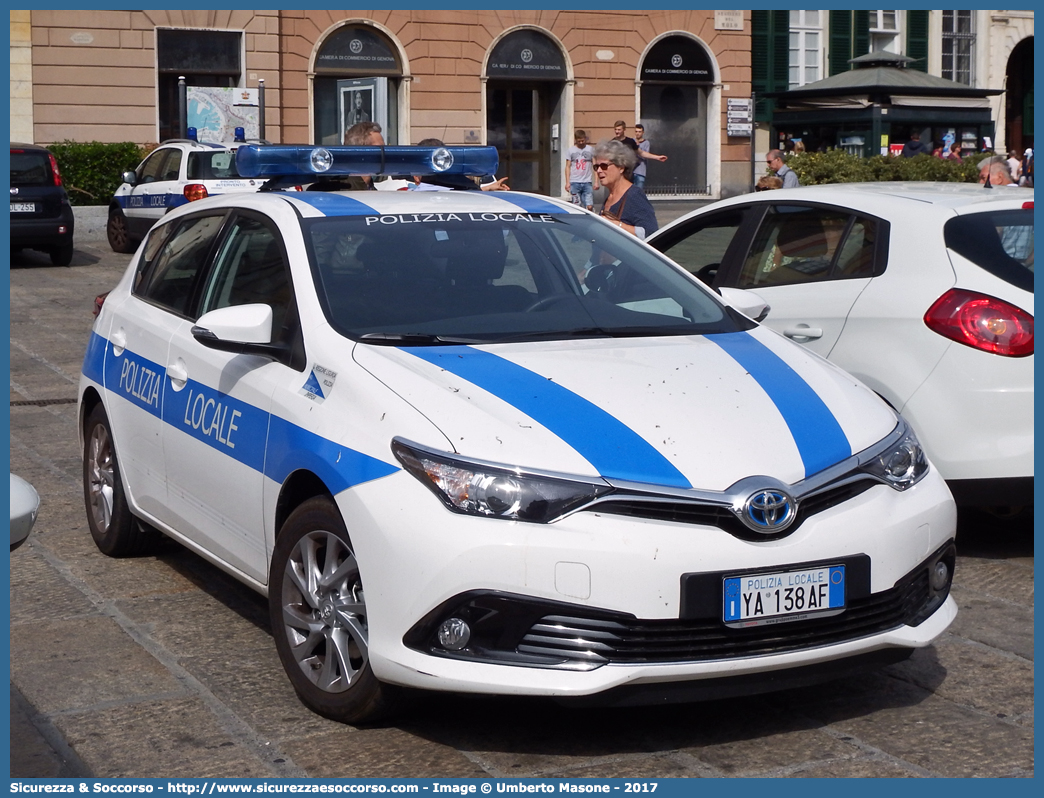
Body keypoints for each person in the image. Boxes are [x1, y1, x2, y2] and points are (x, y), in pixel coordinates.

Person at [592, 139, 658, 239]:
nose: (599, 170)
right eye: (596, 167)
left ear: (621, 167)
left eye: (604, 166)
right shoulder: (609, 197)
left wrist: (618, 225)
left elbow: (651, 233)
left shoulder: (634, 195)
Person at [565, 130, 598, 210]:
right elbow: (567, 166)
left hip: (587, 182)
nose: (581, 143)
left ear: (585, 139)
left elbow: (595, 166)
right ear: (576, 140)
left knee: (589, 206)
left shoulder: (590, 150)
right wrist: (567, 182)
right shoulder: (571, 150)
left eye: (582, 141)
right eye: (579, 141)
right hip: (575, 182)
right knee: (577, 206)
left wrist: (596, 181)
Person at [631, 124, 668, 190]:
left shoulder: (646, 143)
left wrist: (637, 148)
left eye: (639, 132)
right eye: (636, 131)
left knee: (639, 192)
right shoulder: (631, 141)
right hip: (631, 171)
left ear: (643, 132)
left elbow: (645, 156)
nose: (637, 133)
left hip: (640, 171)